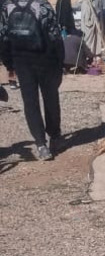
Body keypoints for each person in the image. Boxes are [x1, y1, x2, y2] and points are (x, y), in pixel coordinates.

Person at [0, 0, 65, 161]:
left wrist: (9, 64)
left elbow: (3, 37)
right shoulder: (43, 6)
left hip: (21, 61)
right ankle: (55, 136)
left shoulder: (7, 7)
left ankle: (41, 144)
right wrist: (60, 61)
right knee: (51, 98)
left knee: (30, 103)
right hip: (46, 59)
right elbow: (55, 36)